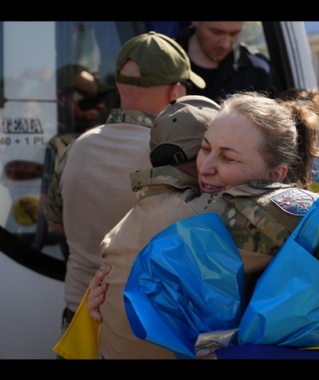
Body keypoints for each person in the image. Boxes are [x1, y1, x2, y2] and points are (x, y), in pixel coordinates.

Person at [87, 92, 319, 360]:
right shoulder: (240, 212)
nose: (206, 168)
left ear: (276, 176)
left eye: (228, 158)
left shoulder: (152, 204)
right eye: (205, 149)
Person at [44, 31, 205, 354]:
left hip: (76, 319)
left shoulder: (74, 148)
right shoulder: (176, 159)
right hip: (138, 329)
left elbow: (55, 226)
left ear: (117, 85)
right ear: (176, 91)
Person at [175, 22, 275, 103]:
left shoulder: (258, 70)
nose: (225, 44)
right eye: (216, 32)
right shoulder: (164, 62)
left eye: (234, 34)